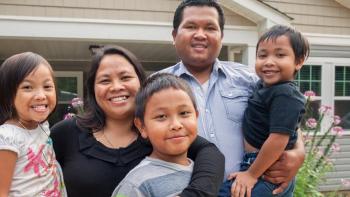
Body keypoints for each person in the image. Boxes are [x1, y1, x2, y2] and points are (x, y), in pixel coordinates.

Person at [160, 0, 306, 195]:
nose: (200, 34)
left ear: (221, 37)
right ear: (174, 35)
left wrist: (298, 152)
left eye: (210, 28)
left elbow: (285, 119)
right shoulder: (156, 87)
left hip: (251, 183)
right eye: (191, 26)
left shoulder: (252, 79)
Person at [50, 45, 225, 197]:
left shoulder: (160, 134)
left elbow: (211, 155)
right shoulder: (66, 133)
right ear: (93, 89)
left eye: (125, 77)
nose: (117, 86)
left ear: (141, 83)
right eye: (105, 80)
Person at [219, 25, 309, 197]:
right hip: (257, 167)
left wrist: (252, 174)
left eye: (280, 55)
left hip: (265, 170)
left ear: (298, 61)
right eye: (262, 55)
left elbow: (278, 139)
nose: (268, 61)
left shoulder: (286, 94)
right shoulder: (263, 86)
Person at [112, 73, 199, 197]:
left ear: (196, 117)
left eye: (184, 113)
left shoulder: (202, 171)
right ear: (142, 126)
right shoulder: (135, 185)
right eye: (161, 116)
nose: (176, 125)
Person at [0, 52, 66, 197]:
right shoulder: (7, 137)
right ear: (9, 96)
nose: (41, 95)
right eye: (28, 87)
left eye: (47, 86)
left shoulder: (42, 127)